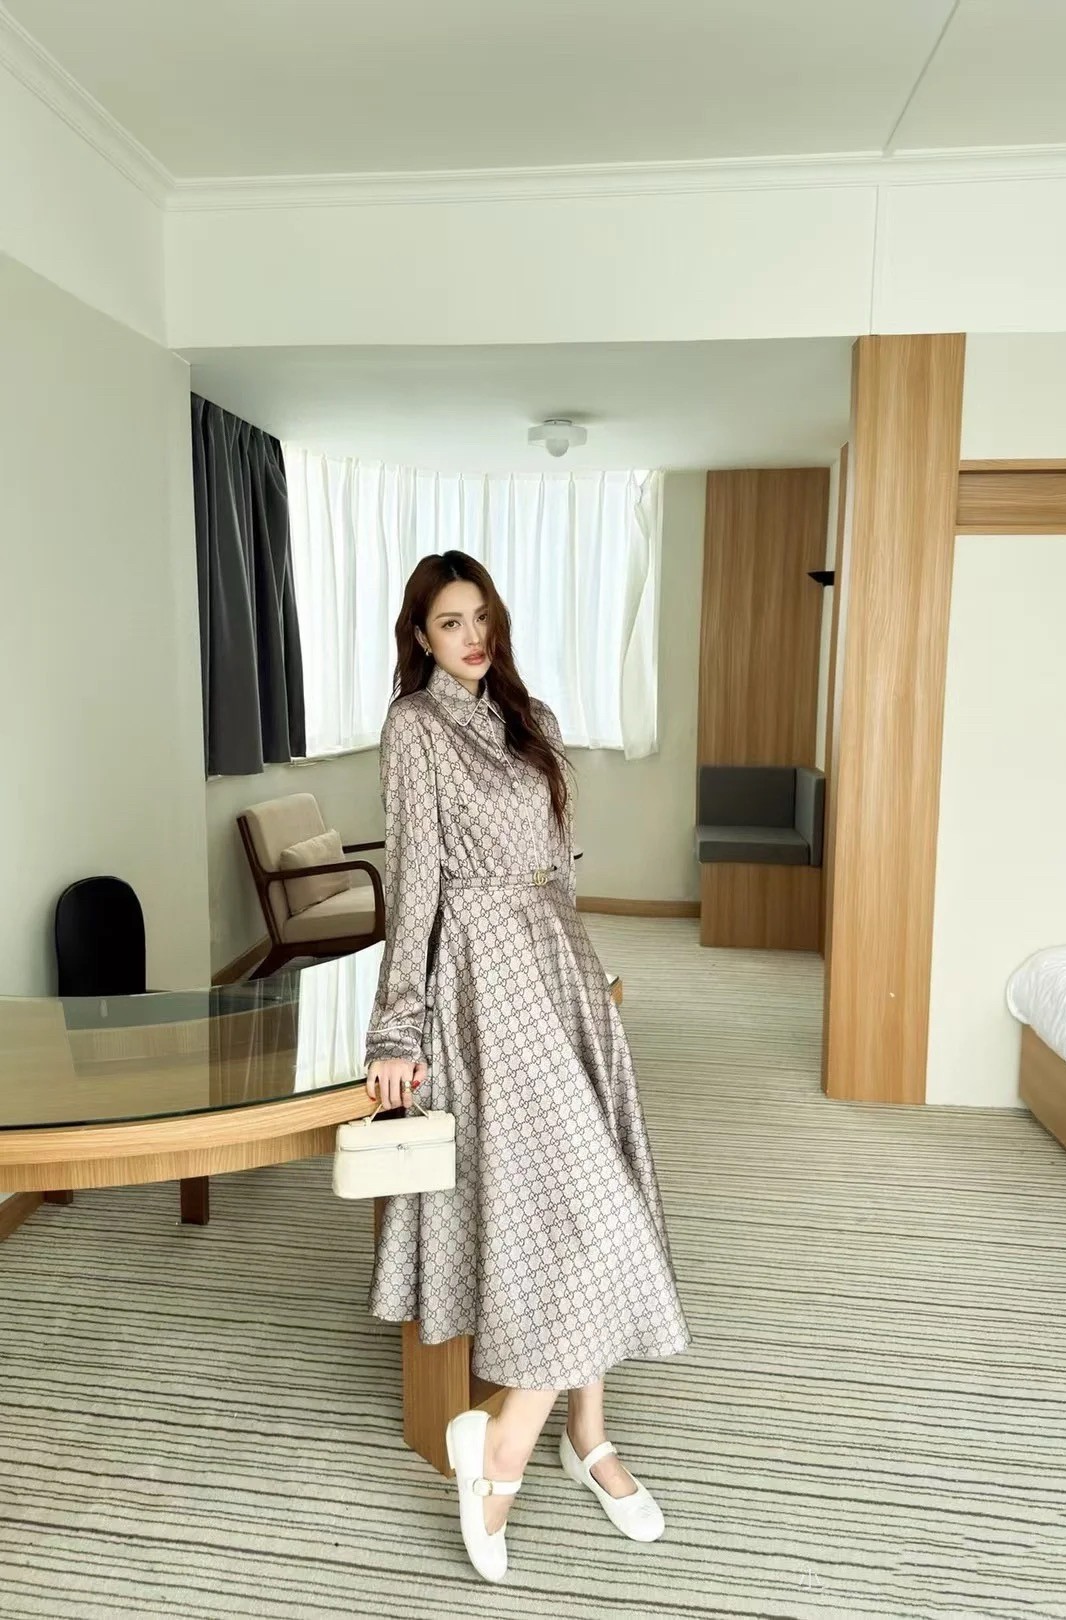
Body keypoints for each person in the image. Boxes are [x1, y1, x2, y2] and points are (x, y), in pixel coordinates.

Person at [364, 549, 691, 1583]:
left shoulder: (530, 719)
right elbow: (414, 878)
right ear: (421, 636)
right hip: (482, 973)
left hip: (557, 961)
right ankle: (503, 1445)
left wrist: (585, 973)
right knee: (584, 1205)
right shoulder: (416, 727)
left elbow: (561, 866)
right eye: (449, 622)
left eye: (481, 617)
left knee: (602, 1180)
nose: (471, 637)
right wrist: (398, 1029)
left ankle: (586, 1434)